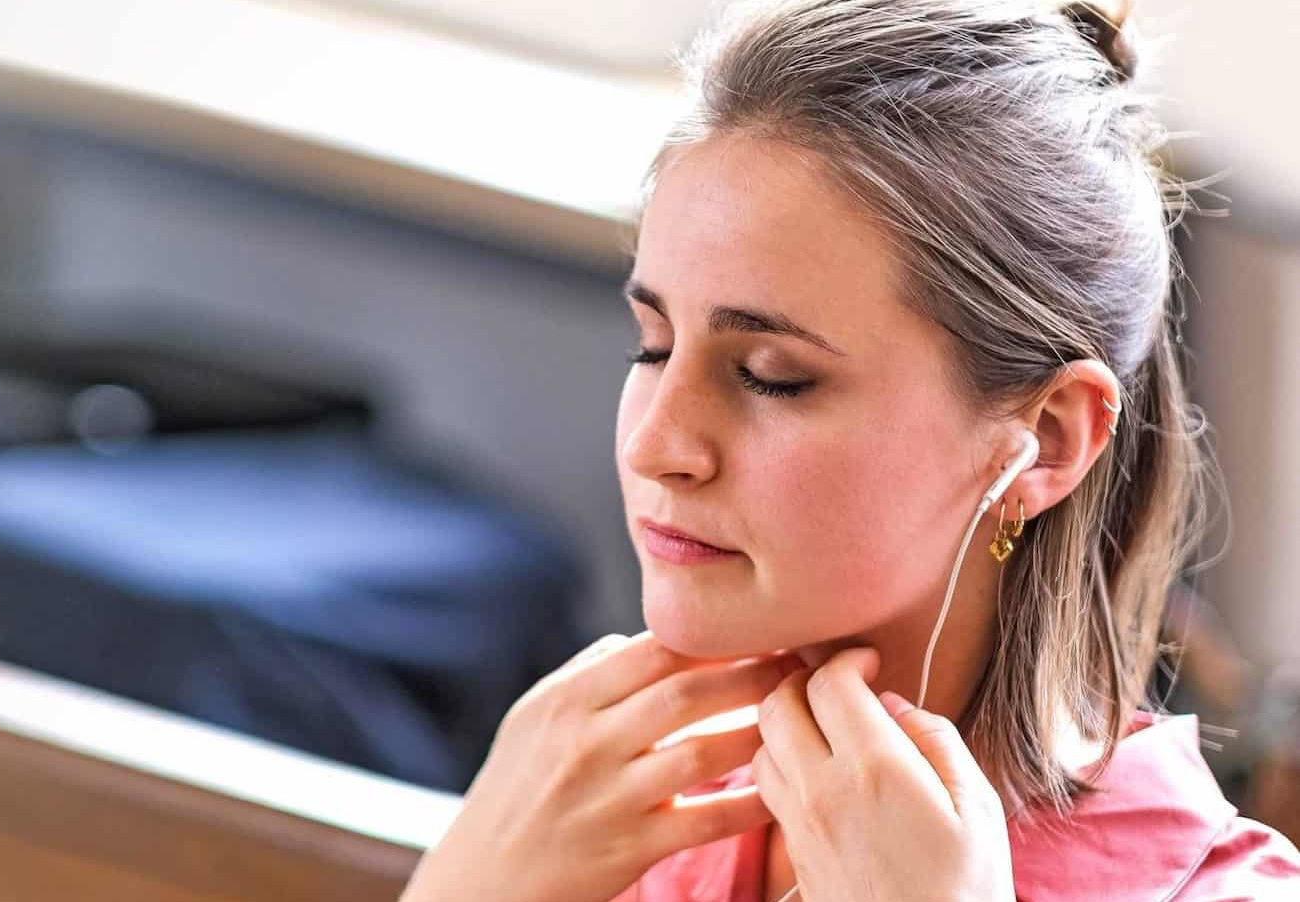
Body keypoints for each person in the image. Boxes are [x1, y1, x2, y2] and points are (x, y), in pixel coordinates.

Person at [397, 1, 1300, 900]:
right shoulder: (599, 821)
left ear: (1047, 441)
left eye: (770, 375)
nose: (657, 445)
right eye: (654, 346)